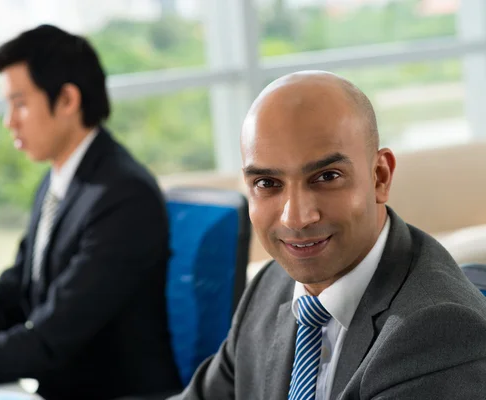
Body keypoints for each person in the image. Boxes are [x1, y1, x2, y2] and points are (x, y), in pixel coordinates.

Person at [0, 24, 181, 399]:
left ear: (68, 100)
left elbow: (47, 340)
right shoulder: (60, 181)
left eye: (20, 103)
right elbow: (6, 303)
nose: (9, 121)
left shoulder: (123, 194)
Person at [171, 71, 486, 399]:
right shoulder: (270, 286)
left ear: (380, 176)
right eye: (267, 183)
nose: (296, 217)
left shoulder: (437, 331)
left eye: (327, 176)